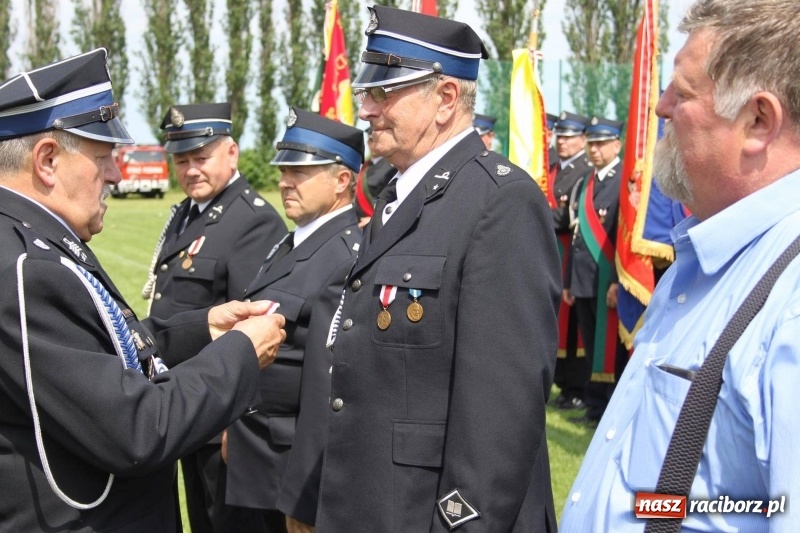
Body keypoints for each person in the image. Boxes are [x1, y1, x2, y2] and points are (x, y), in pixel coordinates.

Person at [0, 48, 286, 533]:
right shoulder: (28, 268)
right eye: (102, 157)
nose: (116, 174)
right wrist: (241, 350)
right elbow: (137, 428)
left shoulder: (32, 240)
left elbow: (100, 347)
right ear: (47, 160)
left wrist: (204, 329)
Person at [318, 6, 561, 532]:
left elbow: (501, 414)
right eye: (367, 92)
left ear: (446, 98)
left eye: (384, 93)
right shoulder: (398, 196)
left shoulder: (500, 202)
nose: (365, 109)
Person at [561, 1, 800, 531]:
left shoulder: (790, 301)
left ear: (758, 121)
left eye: (683, 93)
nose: (660, 107)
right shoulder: (707, 259)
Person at [144, 102, 288, 533]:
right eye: (182, 160)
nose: (190, 170)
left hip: (221, 419)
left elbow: (260, 333)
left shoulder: (252, 221)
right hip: (185, 407)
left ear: (232, 153)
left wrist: (240, 429)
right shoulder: (188, 213)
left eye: (201, 158)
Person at [222, 107, 364, 533]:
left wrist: (306, 492)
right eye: (283, 170)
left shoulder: (346, 256)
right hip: (256, 456)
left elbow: (331, 384)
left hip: (288, 470)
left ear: (342, 181)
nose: (284, 181)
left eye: (299, 172)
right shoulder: (293, 242)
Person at [562, 116, 624, 426]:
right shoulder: (585, 182)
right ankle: (594, 404)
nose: (595, 149)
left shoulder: (623, 182)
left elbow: (620, 237)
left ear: (617, 144)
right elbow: (576, 235)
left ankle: (607, 406)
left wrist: (616, 281)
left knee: (609, 346)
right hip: (584, 279)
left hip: (606, 279)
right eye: (592, 143)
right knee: (590, 343)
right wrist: (569, 280)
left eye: (602, 143)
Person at [548, 111, 593, 411]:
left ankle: (575, 385)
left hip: (569, 253)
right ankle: (562, 381)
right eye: (560, 136)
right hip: (552, 250)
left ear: (582, 140)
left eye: (569, 137)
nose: (562, 142)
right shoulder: (551, 167)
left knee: (574, 325)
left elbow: (567, 216)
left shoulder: (583, 171)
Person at [354, 127, 396, 226]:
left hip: (375, 222)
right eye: (370, 140)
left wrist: (373, 219)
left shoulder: (391, 167)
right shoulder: (366, 165)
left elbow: (394, 198)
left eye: (375, 140)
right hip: (358, 221)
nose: (373, 144)